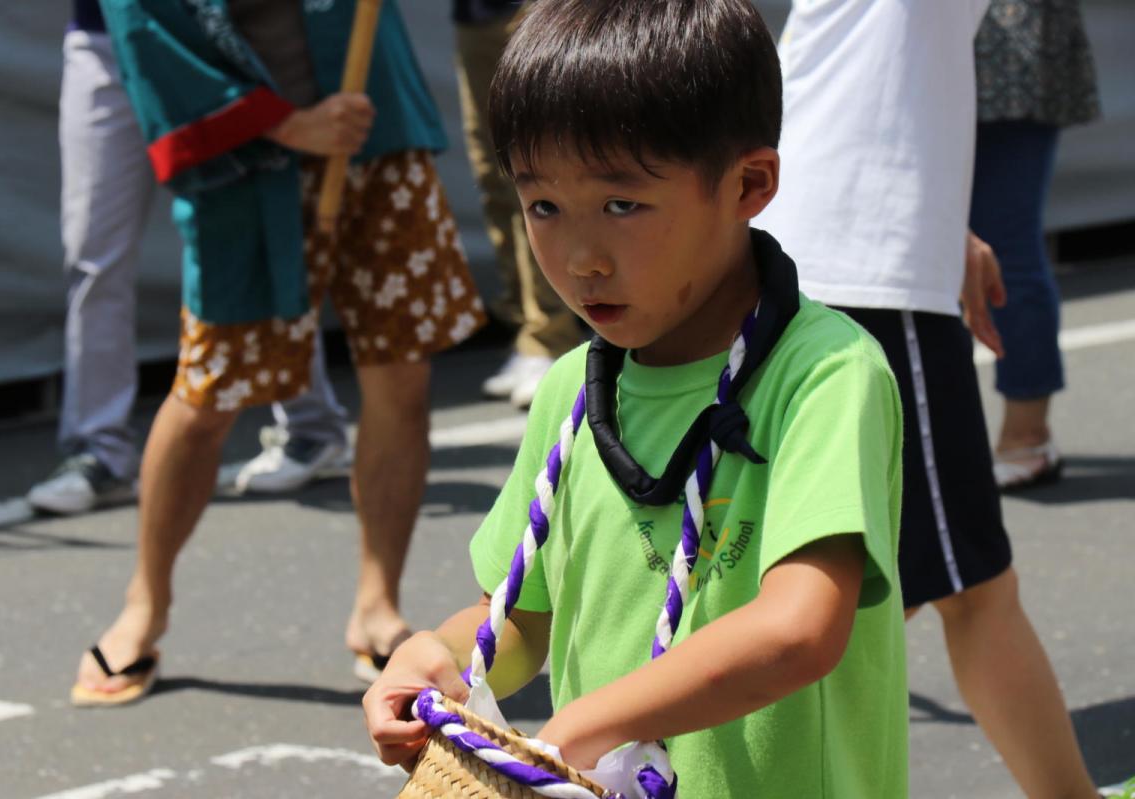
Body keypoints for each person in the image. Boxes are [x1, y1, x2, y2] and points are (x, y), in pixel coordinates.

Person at [364, 2, 910, 795]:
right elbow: (523, 614)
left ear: (749, 184)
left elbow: (801, 627)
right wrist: (440, 656)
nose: (581, 259)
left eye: (623, 204)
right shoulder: (572, 392)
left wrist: (585, 723)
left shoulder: (824, 373)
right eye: (543, 205)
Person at [69, 0, 485, 705]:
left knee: (400, 372)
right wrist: (288, 125)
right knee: (210, 388)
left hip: (371, 121)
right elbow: (142, 19)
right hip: (243, 157)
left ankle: (378, 601)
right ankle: (146, 600)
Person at [758, 1, 1100, 796]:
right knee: (967, 588)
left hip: (827, 249)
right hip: (868, 275)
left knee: (872, 584)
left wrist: (947, 227)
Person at [27, 0, 357, 516]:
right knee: (95, 255)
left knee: (265, 228)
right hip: (112, 37)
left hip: (219, 43)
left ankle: (312, 426)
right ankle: (99, 452)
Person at [972, 0, 1101, 491]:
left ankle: (1025, 435)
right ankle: (1006, 436)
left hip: (1003, 51)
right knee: (952, 254)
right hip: (941, 54)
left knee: (1005, 248)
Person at [452, 0, 580, 408]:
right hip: (472, 17)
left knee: (534, 172)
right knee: (493, 175)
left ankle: (549, 336)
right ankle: (528, 332)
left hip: (532, 11)